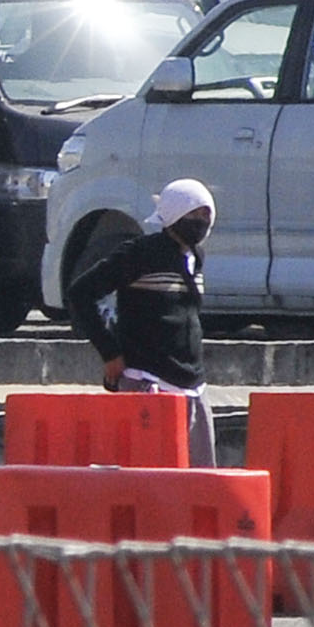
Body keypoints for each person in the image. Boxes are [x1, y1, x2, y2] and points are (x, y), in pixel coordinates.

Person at [68, 176, 216, 467]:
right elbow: (81, 293)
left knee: (200, 479)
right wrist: (110, 352)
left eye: (205, 215)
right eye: (193, 215)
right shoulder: (141, 253)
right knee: (151, 475)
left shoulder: (195, 257)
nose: (200, 222)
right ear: (174, 215)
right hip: (149, 380)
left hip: (192, 385)